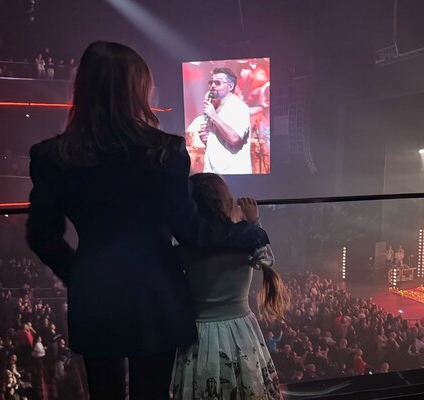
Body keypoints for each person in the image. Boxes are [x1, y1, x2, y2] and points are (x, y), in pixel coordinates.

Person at [25, 41, 269, 400]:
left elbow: (42, 236)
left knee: (104, 394)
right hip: (155, 296)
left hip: (94, 296)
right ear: (136, 89)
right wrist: (249, 233)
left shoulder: (51, 156)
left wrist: (79, 272)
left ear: (84, 86)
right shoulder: (165, 150)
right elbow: (191, 231)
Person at [172, 173, 288, 400]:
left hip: (199, 334)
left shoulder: (185, 248)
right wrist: (254, 222)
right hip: (241, 330)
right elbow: (267, 259)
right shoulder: (246, 240)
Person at [186, 67, 252, 175]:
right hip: (213, 172)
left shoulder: (239, 107)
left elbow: (235, 139)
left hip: (233, 174)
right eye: (211, 82)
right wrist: (206, 139)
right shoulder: (215, 109)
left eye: (218, 83)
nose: (212, 85)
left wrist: (213, 116)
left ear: (230, 86)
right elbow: (219, 142)